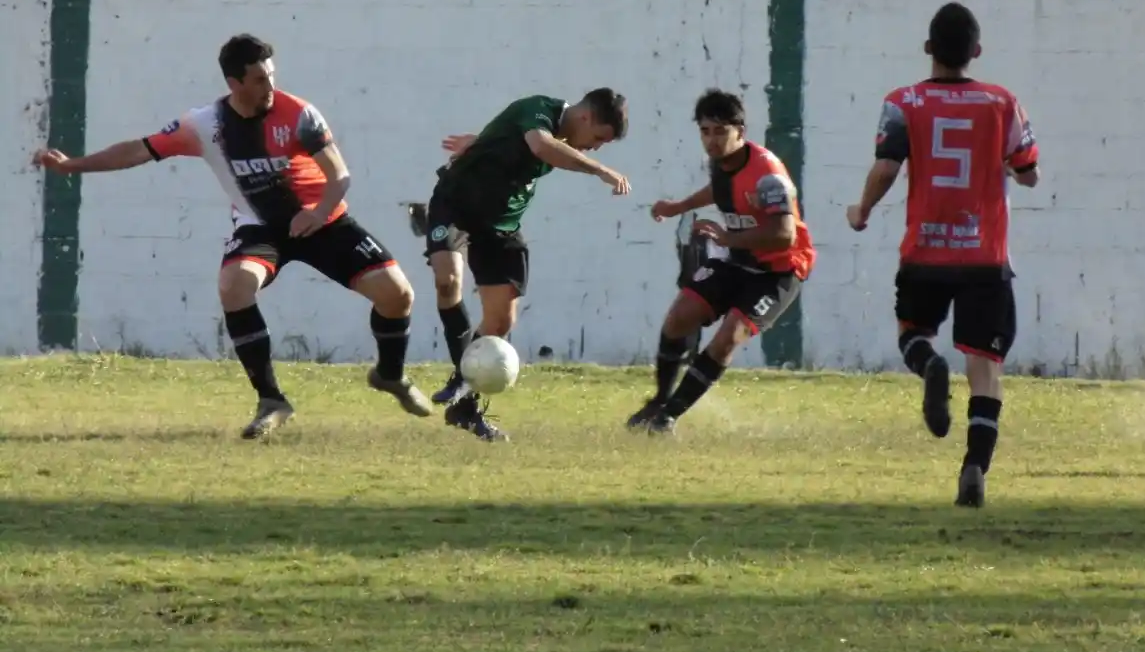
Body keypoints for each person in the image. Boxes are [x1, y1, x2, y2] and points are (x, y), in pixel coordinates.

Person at [31, 33, 430, 440]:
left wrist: (317, 213)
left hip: (324, 220)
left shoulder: (299, 114)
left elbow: (339, 175)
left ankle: (390, 375)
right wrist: (73, 166)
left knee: (398, 295)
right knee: (235, 286)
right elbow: (139, 149)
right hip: (261, 228)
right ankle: (271, 400)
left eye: (271, 76)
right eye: (259, 79)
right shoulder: (206, 125)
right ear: (233, 83)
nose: (270, 87)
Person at [846, 2, 1040, 508]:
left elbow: (886, 168)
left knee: (912, 333)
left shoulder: (902, 101)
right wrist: (1013, 168)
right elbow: (1029, 171)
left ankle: (929, 364)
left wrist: (861, 209)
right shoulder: (1003, 103)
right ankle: (975, 466)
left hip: (926, 251)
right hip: (985, 256)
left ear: (929, 49)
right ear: (976, 52)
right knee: (985, 365)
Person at [424, 90, 631, 442]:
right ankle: (461, 376)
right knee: (448, 280)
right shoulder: (540, 110)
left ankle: (465, 407)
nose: (595, 148)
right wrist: (601, 172)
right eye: (598, 139)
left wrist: (482, 142)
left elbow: (518, 142)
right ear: (585, 117)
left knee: (501, 320)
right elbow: (540, 146)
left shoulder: (560, 136)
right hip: (455, 206)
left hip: (501, 225)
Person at [627, 88, 816, 433]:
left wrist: (728, 238)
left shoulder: (768, 174)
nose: (712, 141)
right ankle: (659, 400)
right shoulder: (722, 163)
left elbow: (784, 235)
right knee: (679, 317)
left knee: (728, 337)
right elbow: (721, 189)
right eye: (705, 131)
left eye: (720, 131)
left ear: (740, 132)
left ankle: (667, 418)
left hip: (779, 270)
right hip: (739, 258)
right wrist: (678, 206)